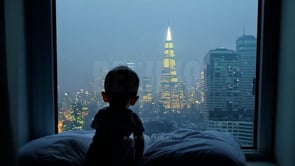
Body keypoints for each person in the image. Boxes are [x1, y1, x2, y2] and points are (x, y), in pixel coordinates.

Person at [86, 65, 145, 166]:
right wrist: (138, 157)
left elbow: (96, 130)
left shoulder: (101, 114)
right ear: (134, 100)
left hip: (97, 156)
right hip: (122, 155)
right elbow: (139, 139)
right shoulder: (133, 117)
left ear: (104, 97)